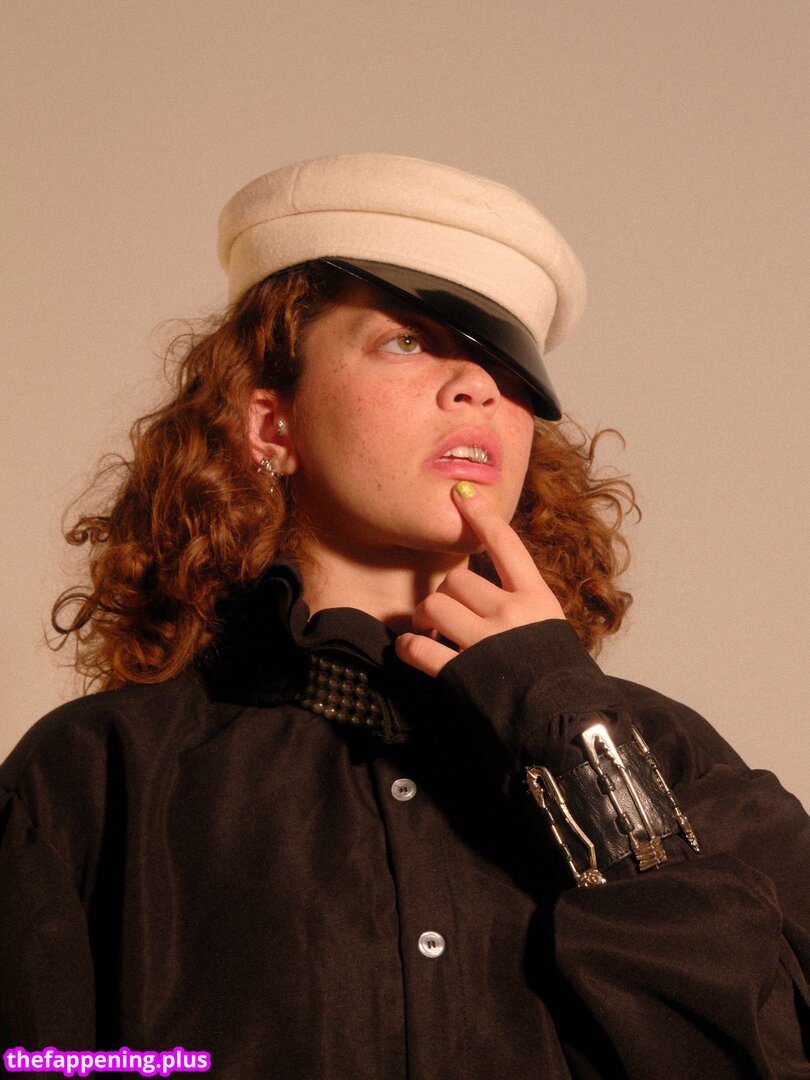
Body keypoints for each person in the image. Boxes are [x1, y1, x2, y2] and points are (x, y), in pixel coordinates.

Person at [1, 153, 808, 1079]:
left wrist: (566, 728)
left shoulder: (670, 757)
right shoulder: (91, 777)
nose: (477, 387)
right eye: (407, 342)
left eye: (505, 369)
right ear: (272, 424)